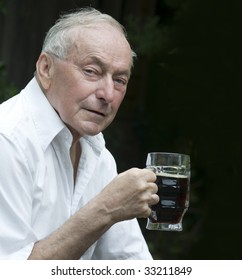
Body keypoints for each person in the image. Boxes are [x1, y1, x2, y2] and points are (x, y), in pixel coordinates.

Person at [0, 7, 159, 260]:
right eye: (91, 71)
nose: (107, 94)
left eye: (119, 80)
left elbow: (131, 263)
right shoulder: (7, 140)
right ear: (46, 69)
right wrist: (105, 210)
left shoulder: (98, 155)